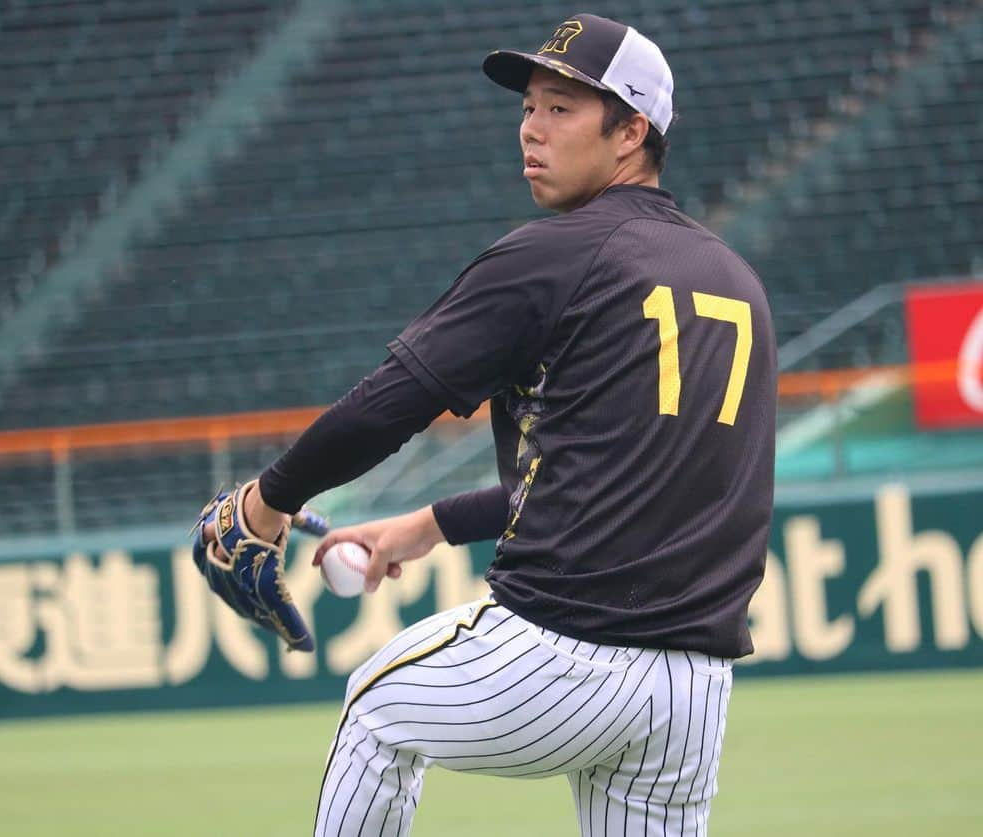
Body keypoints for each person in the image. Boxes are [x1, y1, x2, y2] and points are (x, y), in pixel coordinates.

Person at [204, 13, 775, 836]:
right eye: (529, 107)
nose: (531, 129)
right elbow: (610, 477)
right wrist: (427, 526)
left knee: (376, 708)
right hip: (692, 689)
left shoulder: (559, 253)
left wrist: (268, 500)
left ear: (632, 132)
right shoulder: (735, 279)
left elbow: (391, 401)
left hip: (567, 650)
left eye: (561, 109)